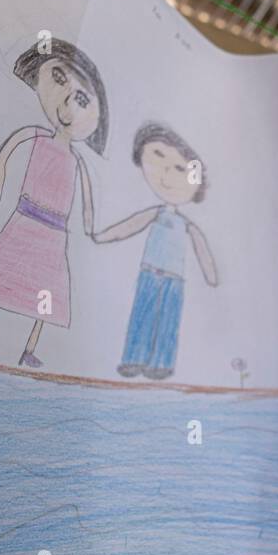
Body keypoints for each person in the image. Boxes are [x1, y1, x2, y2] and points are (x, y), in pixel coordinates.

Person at [0, 39, 108, 368]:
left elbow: (87, 202)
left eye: (82, 100)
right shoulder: (38, 135)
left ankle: (30, 348)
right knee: (3, 274)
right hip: (26, 218)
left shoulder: (79, 161)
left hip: (55, 232)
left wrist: (89, 226)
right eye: (59, 82)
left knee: (46, 292)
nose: (68, 107)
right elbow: (10, 147)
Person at [92, 122, 218, 380]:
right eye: (159, 157)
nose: (168, 176)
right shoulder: (155, 214)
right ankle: (132, 359)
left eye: (181, 169)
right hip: (150, 273)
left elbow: (202, 250)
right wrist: (102, 236)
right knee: (142, 316)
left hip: (174, 280)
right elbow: (129, 226)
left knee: (167, 323)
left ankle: (161, 364)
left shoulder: (187, 226)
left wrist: (211, 276)